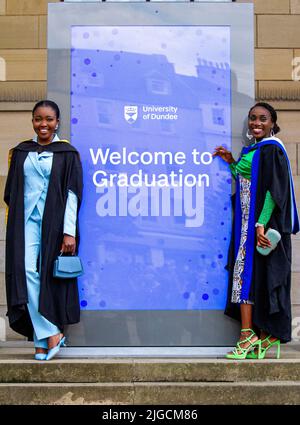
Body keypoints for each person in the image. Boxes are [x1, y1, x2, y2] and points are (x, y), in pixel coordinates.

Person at [213, 102, 299, 360]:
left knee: (246, 277)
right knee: (245, 277)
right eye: (252, 118)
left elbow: (274, 192)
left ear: (272, 122)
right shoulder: (254, 150)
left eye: (263, 118)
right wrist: (231, 161)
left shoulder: (273, 150)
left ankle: (249, 335)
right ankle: (256, 336)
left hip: (256, 227)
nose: (256, 123)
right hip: (245, 226)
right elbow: (246, 178)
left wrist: (261, 223)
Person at [4, 100, 83, 361]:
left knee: (49, 279)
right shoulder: (21, 152)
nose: (43, 124)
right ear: (32, 121)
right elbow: (11, 193)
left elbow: (72, 195)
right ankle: (51, 332)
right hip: (25, 223)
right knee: (25, 273)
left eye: (49, 119)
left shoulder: (67, 154)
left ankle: (40, 341)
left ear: (57, 122)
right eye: (38, 119)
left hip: (54, 225)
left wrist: (68, 231)